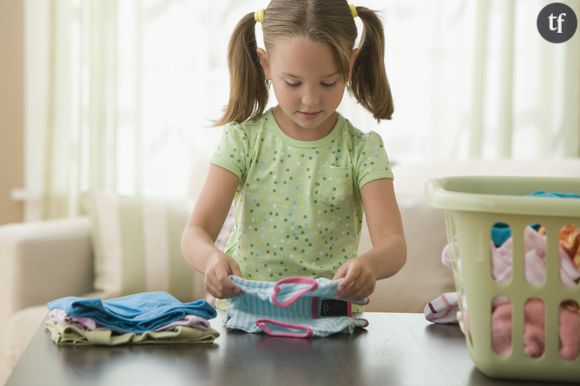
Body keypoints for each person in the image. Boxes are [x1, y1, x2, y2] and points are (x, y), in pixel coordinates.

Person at [181, 0, 406, 304]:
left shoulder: (363, 149)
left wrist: (370, 265)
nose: (311, 99)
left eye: (328, 82)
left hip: (326, 319)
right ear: (266, 65)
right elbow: (195, 232)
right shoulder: (243, 140)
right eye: (293, 82)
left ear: (350, 66)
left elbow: (393, 244)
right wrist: (210, 260)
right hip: (246, 314)